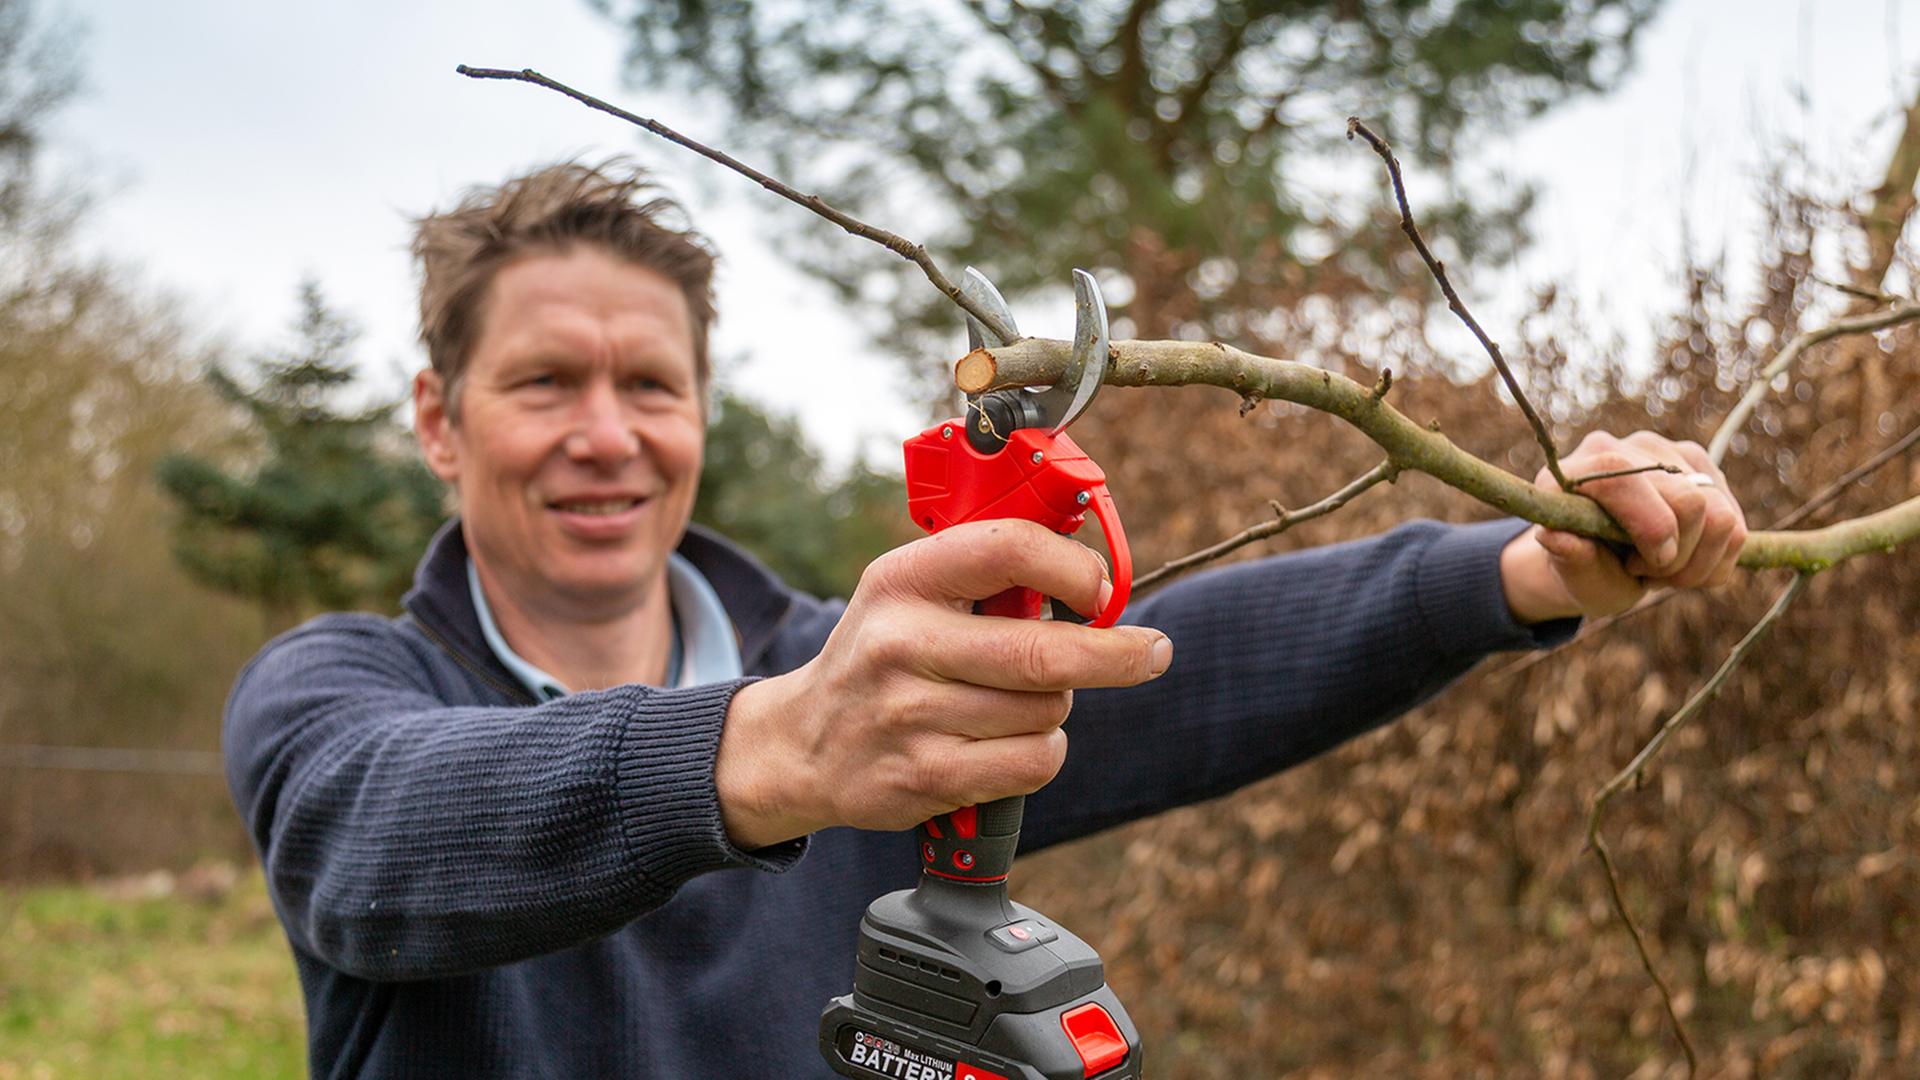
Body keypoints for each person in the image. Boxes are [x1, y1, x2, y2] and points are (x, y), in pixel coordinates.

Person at [223, 161, 1747, 1078]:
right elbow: (371, 835)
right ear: (441, 421)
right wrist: (774, 751)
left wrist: (1515, 571)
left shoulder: (859, 681)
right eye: (545, 382)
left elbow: (1187, 670)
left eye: (651, 385)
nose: (607, 434)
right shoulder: (341, 689)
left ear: (700, 412)